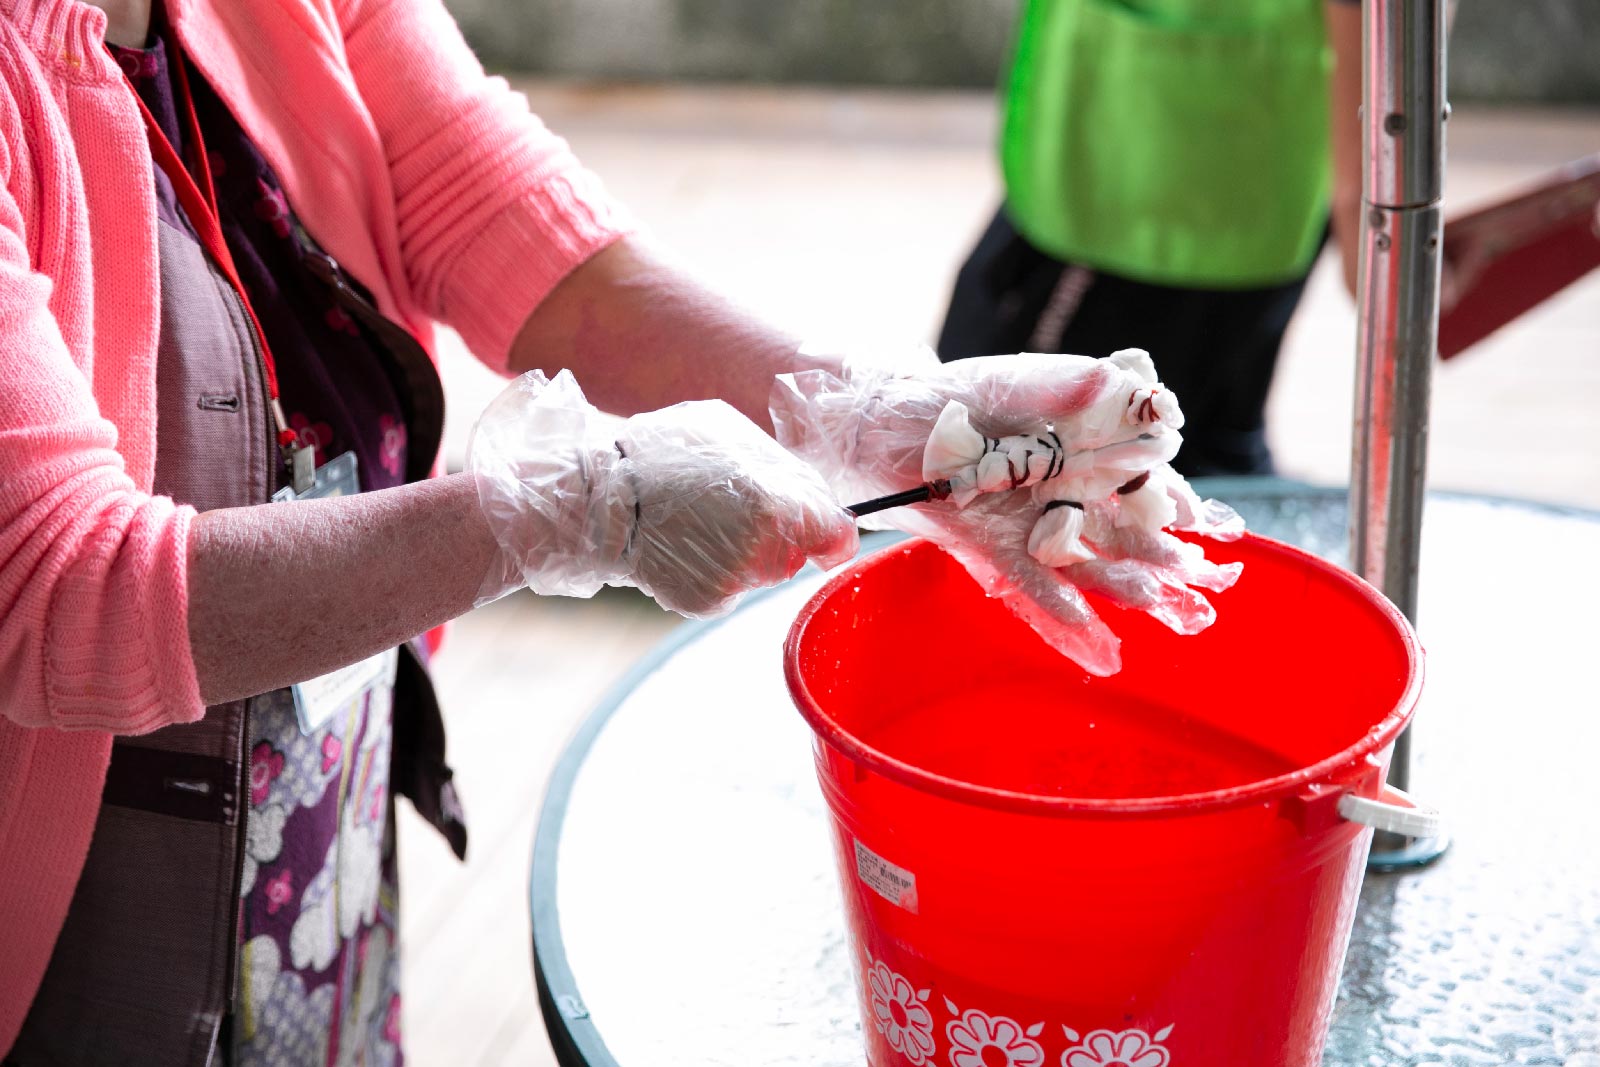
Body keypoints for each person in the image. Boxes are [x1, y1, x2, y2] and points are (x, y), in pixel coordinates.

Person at [0, 0, 1235, 1061]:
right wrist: (564, 509)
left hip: (303, 844)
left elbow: (546, 259)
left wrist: (878, 415)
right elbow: (64, 592)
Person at [938, 0, 1364, 476]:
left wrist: (1366, 201)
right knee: (1198, 459)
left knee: (982, 453)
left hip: (1159, 174)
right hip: (1228, 151)